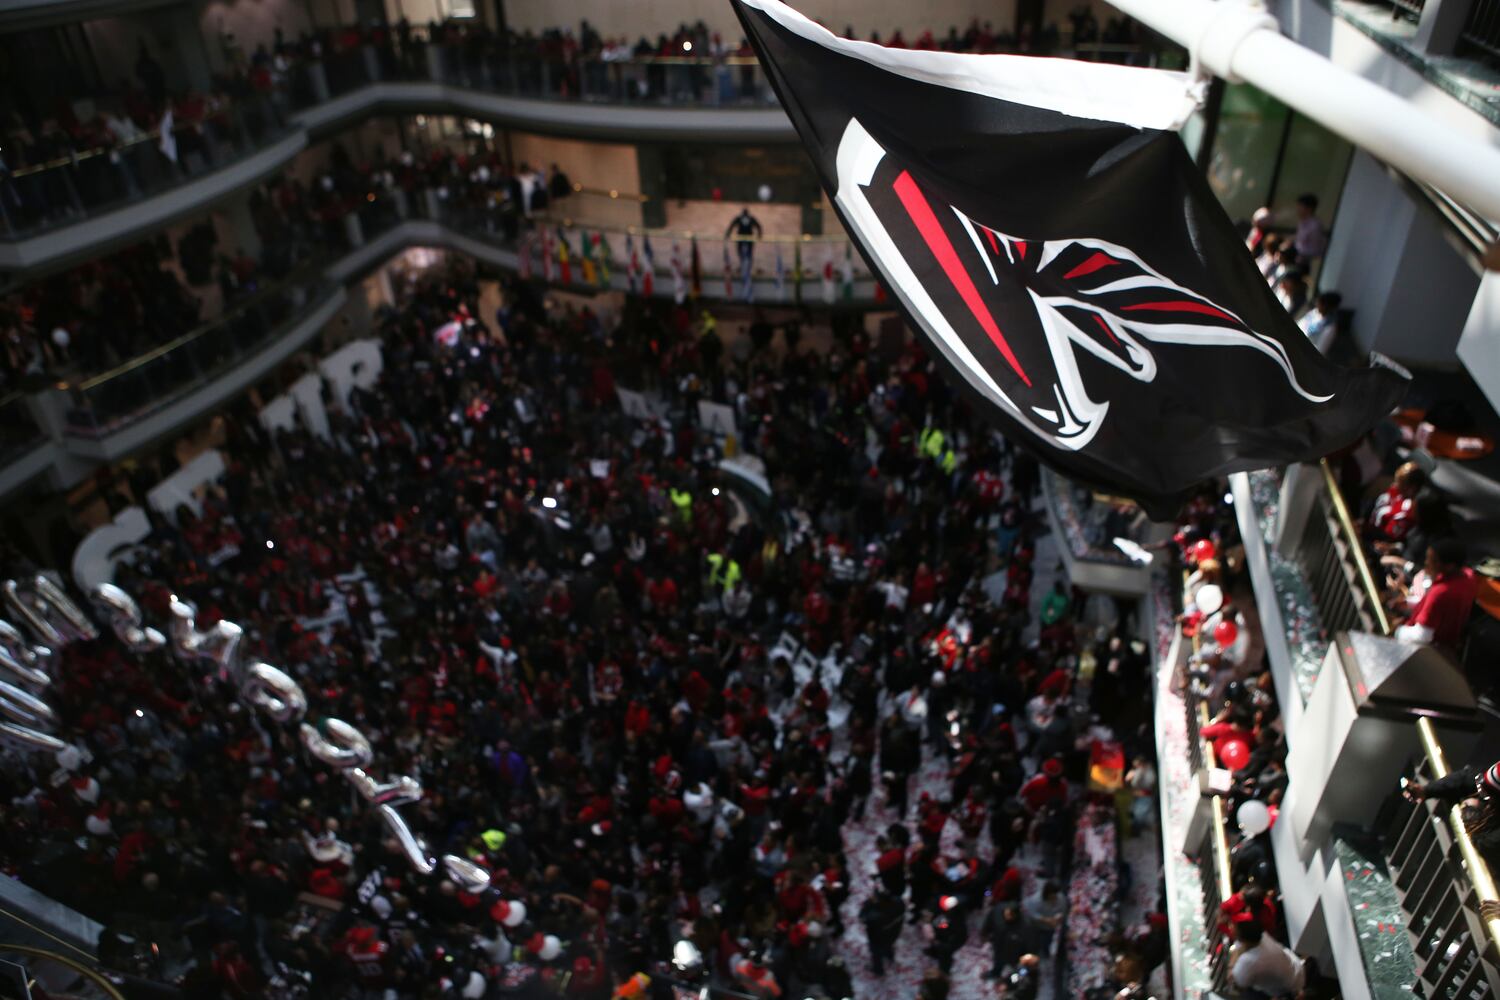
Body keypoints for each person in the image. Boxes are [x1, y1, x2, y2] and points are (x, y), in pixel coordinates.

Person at [1394, 536, 1477, 653]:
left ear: (1449, 566)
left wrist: (1397, 631)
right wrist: (1410, 602)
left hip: (1430, 650)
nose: (1426, 563)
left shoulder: (1440, 593)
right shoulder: (1469, 576)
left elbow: (1422, 636)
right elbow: (1442, 608)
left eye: (1433, 560)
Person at [1229, 922, 1306, 997]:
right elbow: (1238, 947)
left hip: (1291, 987)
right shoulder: (1262, 936)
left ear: (1244, 940)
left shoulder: (1250, 961)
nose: (1231, 927)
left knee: (1244, 994)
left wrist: (1230, 966)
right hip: (1296, 967)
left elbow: (1235, 981)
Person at [859, 889, 904, 977]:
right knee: (888, 945)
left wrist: (869, 903)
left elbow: (862, 917)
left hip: (877, 939)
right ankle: (889, 956)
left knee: (876, 954)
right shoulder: (899, 903)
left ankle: (878, 970)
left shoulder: (875, 916)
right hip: (894, 933)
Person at [725, 207, 763, 276]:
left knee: (748, 253)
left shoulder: (744, 218)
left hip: (747, 238)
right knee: (745, 252)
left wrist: (728, 233)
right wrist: (759, 234)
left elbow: (732, 225)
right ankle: (744, 265)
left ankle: (747, 267)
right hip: (743, 238)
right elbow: (758, 226)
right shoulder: (746, 218)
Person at [1293, 193, 1328, 262]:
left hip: (1306, 261)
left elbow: (1315, 249)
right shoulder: (1302, 222)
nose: (1297, 209)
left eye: (1300, 206)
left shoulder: (1315, 226)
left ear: (1309, 209)